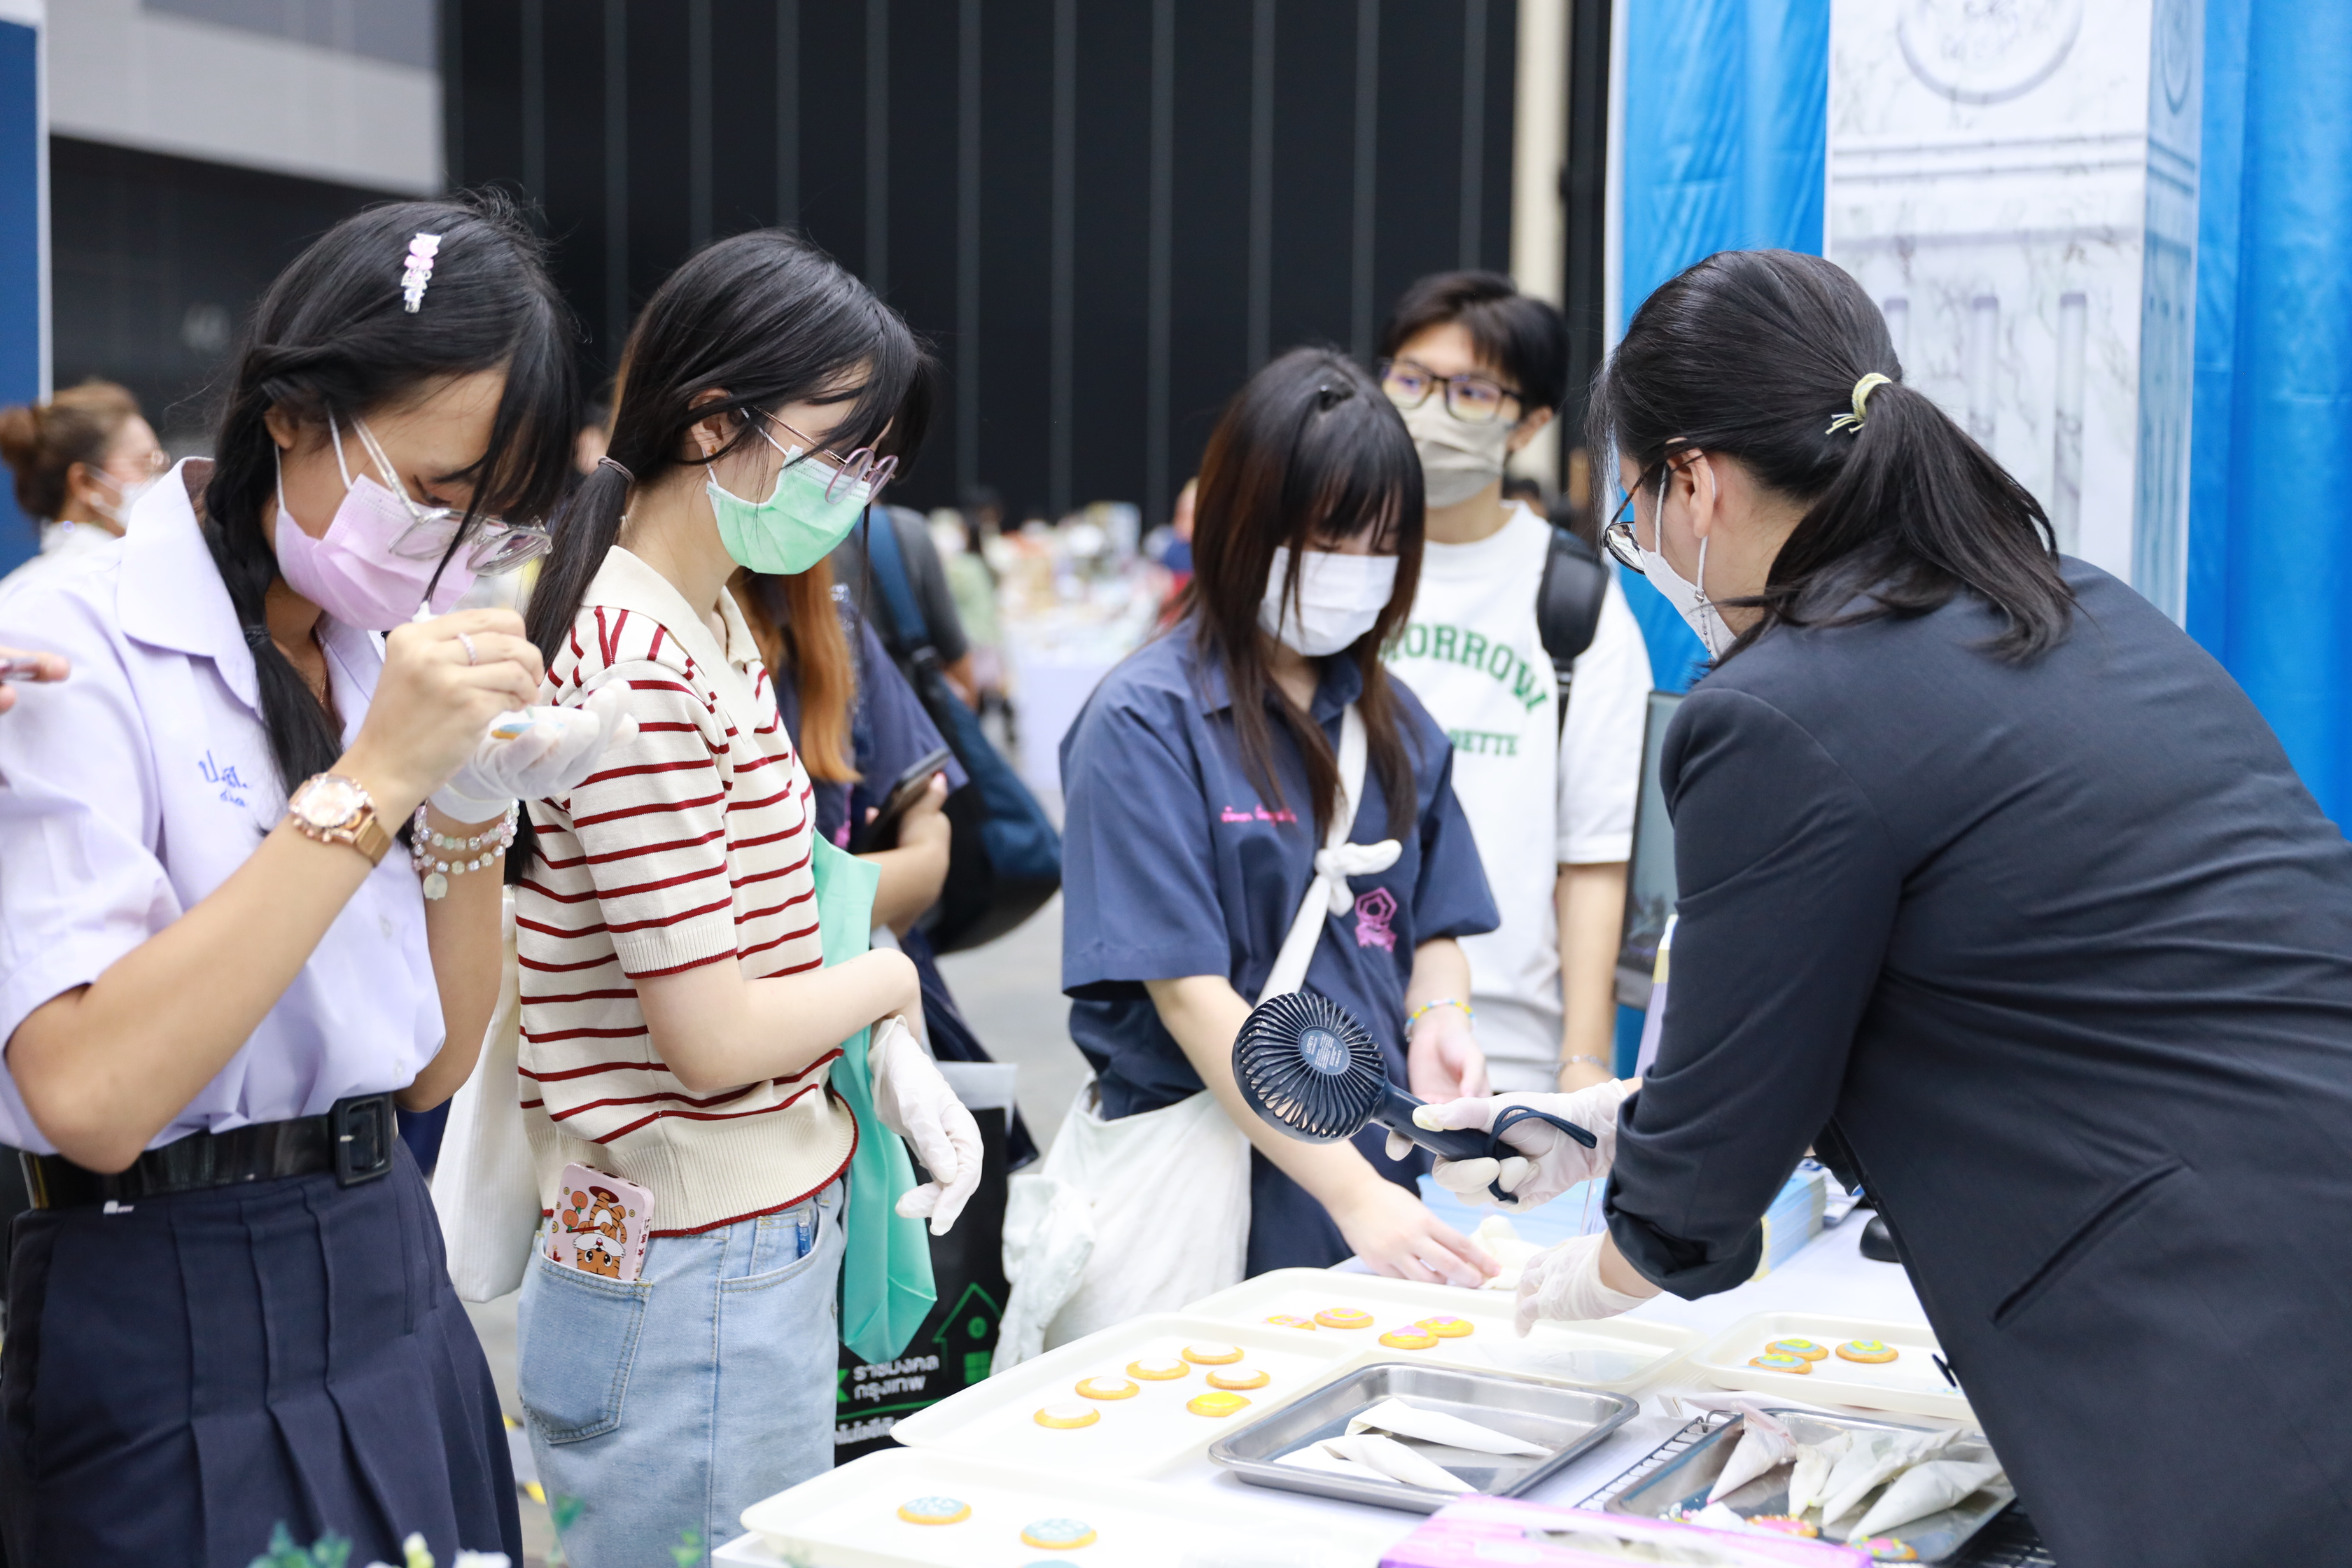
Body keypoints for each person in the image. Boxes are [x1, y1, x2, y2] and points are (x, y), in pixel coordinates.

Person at [1414, 248, 2352, 1568]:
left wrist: (1601, 1263)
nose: (1647, 551)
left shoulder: (1780, 710)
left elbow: (1701, 1193)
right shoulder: (2073, 603)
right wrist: (1626, 1121)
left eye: (1635, 510)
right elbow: (1990, 988)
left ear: (1697, 482)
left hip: (2223, 1348)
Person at [0, 195, 617, 1564]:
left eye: (491, 523)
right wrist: (379, 780)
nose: (448, 553)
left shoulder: (367, 651)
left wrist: (470, 810)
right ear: (291, 413)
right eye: (434, 492)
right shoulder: (69, 643)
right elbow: (90, 1096)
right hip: (166, 1291)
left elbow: (433, 1069)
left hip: (386, 1262)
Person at [510, 229, 983, 1564]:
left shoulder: (703, 617)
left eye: (875, 466)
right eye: (841, 454)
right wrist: (887, 982)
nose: (856, 493)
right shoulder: (639, 661)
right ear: (714, 423)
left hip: (723, 1246)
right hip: (695, 1263)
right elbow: (711, 1036)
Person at [1058, 347, 1500, 1284]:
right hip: (1210, 1188)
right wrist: (1352, 1192)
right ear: (1243, 523)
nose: (1356, 570)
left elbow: (1434, 923)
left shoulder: (1397, 723)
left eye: (1383, 545)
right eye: (1328, 538)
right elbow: (1190, 997)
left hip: (1376, 1192)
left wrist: (1441, 1016)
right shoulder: (1144, 720)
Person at [1378, 272, 1653, 1096]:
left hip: (1506, 1056)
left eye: (1470, 391)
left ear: (1531, 422)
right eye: (1411, 379)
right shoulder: (1336, 575)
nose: (1430, 411)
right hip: (1331, 1026)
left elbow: (1594, 858)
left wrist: (1582, 1059)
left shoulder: (1573, 600)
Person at [0, 379, 169, 592]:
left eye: (159, 464)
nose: (160, 479)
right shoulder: (92, 587)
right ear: (85, 482)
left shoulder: (22, 588)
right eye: (143, 464)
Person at [831, 500, 981, 706]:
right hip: (909, 702)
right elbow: (954, 651)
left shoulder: (796, 540)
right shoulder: (905, 530)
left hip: (826, 709)